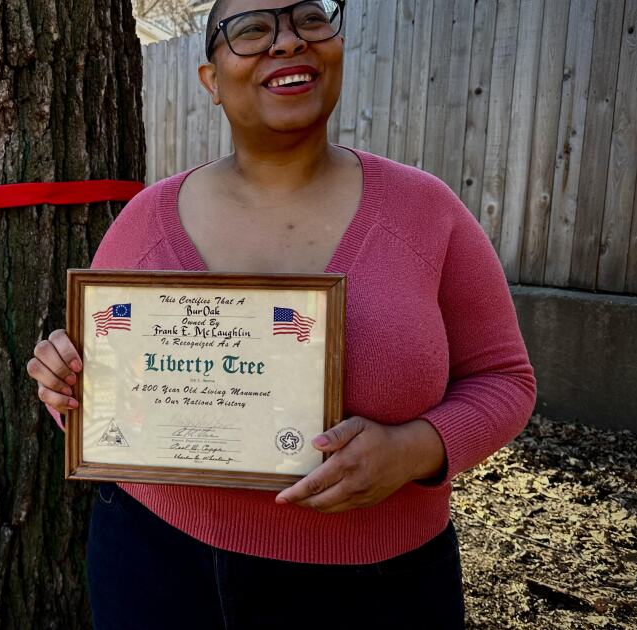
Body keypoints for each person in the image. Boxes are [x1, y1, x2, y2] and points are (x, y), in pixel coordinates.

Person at [26, 1, 536, 627]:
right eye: (252, 31)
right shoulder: (145, 223)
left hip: (378, 582)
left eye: (310, 19)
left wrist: (414, 450)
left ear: (336, 49)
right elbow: (96, 398)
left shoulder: (425, 212)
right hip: (155, 562)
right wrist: (66, 385)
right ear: (211, 81)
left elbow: (505, 380)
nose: (288, 42)